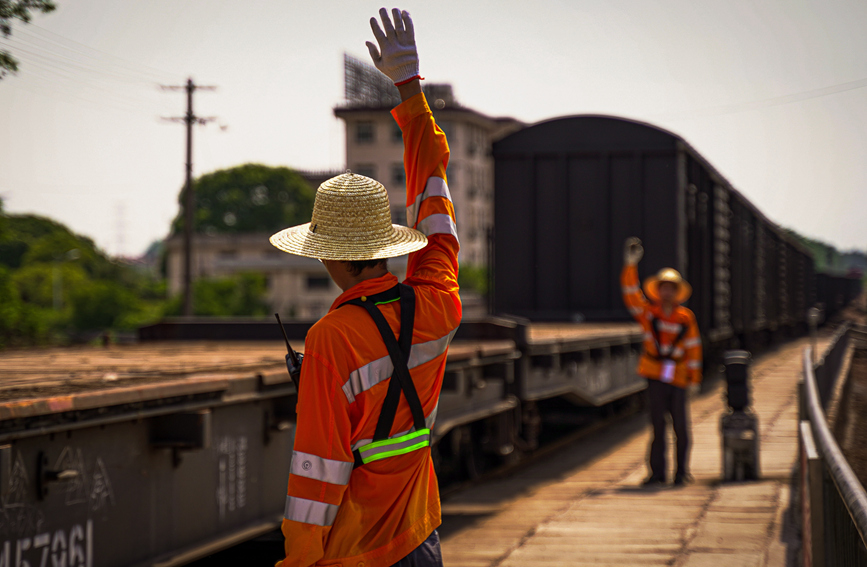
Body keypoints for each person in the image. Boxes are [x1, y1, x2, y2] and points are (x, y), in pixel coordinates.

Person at [269, 8, 459, 567]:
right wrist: (409, 89)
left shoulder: (333, 338)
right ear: (386, 246)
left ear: (324, 251)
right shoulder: (437, 304)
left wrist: (299, 559)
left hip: (359, 550)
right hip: (421, 533)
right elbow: (435, 196)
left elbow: (317, 468)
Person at [621, 237, 702, 486]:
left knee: (681, 427)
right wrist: (630, 266)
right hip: (655, 373)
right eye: (664, 287)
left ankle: (681, 473)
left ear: (677, 292)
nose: (667, 292)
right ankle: (657, 474)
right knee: (657, 426)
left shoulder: (685, 318)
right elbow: (631, 295)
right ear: (659, 291)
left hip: (677, 375)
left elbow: (693, 350)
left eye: (671, 288)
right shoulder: (649, 313)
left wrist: (694, 380)